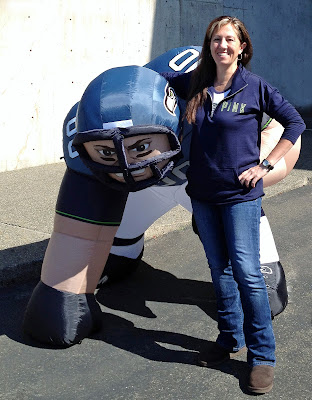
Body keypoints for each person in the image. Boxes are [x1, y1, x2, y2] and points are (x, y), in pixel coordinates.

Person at [23, 47, 299, 361]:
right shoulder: (87, 138)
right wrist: (63, 292)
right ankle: (124, 247)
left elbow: (283, 130)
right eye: (109, 152)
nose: (129, 164)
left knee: (264, 295)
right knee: (58, 312)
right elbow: (80, 219)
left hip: (207, 178)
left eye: (140, 147)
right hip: (138, 189)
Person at [161, 17, 305, 394]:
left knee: (246, 272)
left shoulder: (255, 87)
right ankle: (229, 338)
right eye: (216, 40)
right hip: (203, 195)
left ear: (242, 47)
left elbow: (294, 123)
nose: (222, 45)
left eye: (229, 40)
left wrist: (266, 165)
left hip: (241, 197)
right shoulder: (196, 85)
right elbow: (156, 86)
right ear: (209, 46)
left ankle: (262, 356)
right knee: (219, 270)